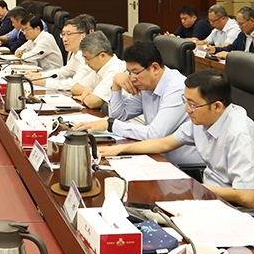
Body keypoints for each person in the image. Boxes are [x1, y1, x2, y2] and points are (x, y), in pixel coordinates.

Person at [100, 69, 254, 207]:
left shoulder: (239, 134)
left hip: (245, 213)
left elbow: (247, 197)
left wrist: (196, 188)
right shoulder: (202, 119)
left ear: (217, 106)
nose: (187, 110)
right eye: (186, 101)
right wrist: (121, 149)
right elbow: (164, 143)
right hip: (212, 198)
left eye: (192, 105)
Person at [73, 41, 203, 166]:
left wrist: (110, 124)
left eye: (135, 73)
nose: (132, 78)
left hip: (181, 167)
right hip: (154, 157)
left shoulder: (177, 89)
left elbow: (155, 134)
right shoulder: (146, 86)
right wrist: (116, 84)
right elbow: (118, 116)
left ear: (155, 68)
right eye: (129, 72)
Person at [27, 15, 98, 97]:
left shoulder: (89, 57)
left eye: (69, 34)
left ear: (83, 36)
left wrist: (44, 82)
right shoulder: (76, 53)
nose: (64, 39)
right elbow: (63, 72)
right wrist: (40, 76)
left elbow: (75, 84)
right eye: (63, 34)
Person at [72, 31, 126, 109]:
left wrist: (83, 97)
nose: (86, 63)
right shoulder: (99, 69)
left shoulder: (115, 70)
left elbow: (93, 102)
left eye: (87, 59)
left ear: (102, 56)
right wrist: (89, 90)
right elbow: (74, 88)